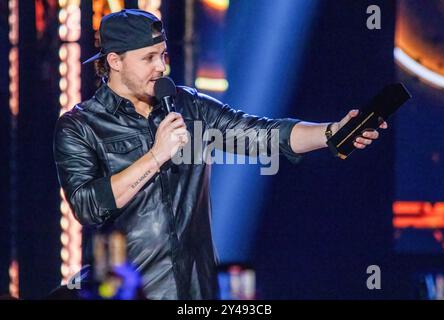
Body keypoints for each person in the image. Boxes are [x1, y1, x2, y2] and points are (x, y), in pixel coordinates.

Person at [53, 9, 387, 300]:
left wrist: (333, 132)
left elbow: (263, 134)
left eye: (163, 55)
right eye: (148, 58)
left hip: (195, 292)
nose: (161, 67)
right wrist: (156, 156)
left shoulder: (189, 106)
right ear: (114, 61)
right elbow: (88, 206)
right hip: (129, 292)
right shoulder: (80, 127)